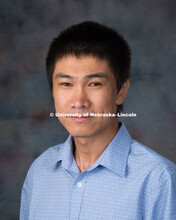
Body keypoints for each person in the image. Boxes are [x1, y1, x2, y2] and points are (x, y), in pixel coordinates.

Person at [20, 21, 176, 220]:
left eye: (94, 83)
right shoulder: (40, 172)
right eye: (66, 83)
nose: (79, 101)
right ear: (52, 90)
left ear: (121, 91)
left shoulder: (159, 179)